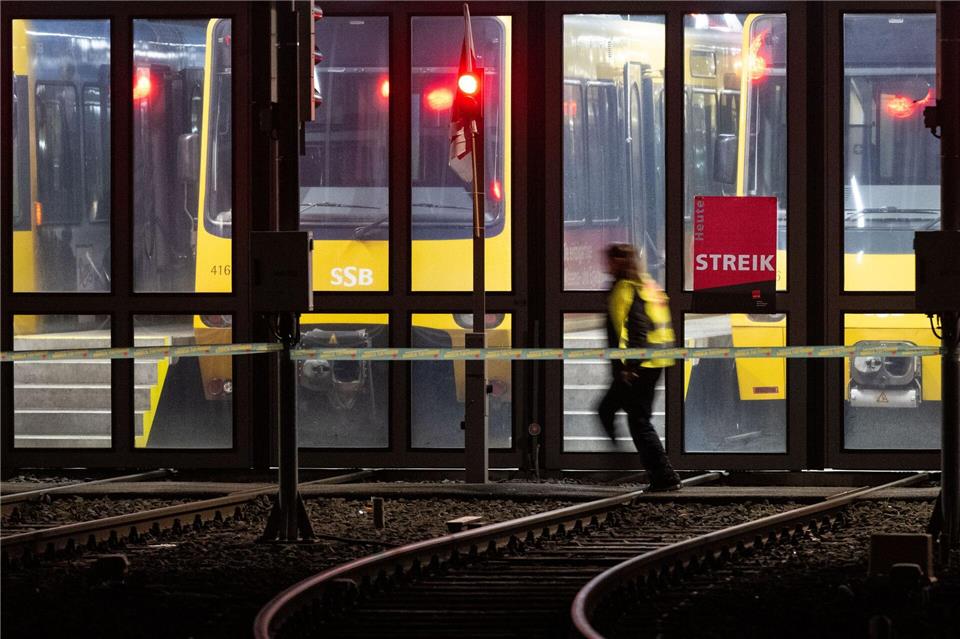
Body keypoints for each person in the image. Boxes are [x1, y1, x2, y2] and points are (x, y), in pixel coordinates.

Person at [598, 243, 682, 491]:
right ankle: (620, 461)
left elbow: (631, 328)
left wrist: (629, 366)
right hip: (654, 361)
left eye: (609, 260)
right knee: (609, 409)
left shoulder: (625, 288)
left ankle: (663, 476)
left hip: (639, 365)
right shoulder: (647, 284)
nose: (606, 265)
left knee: (637, 420)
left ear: (616, 262)